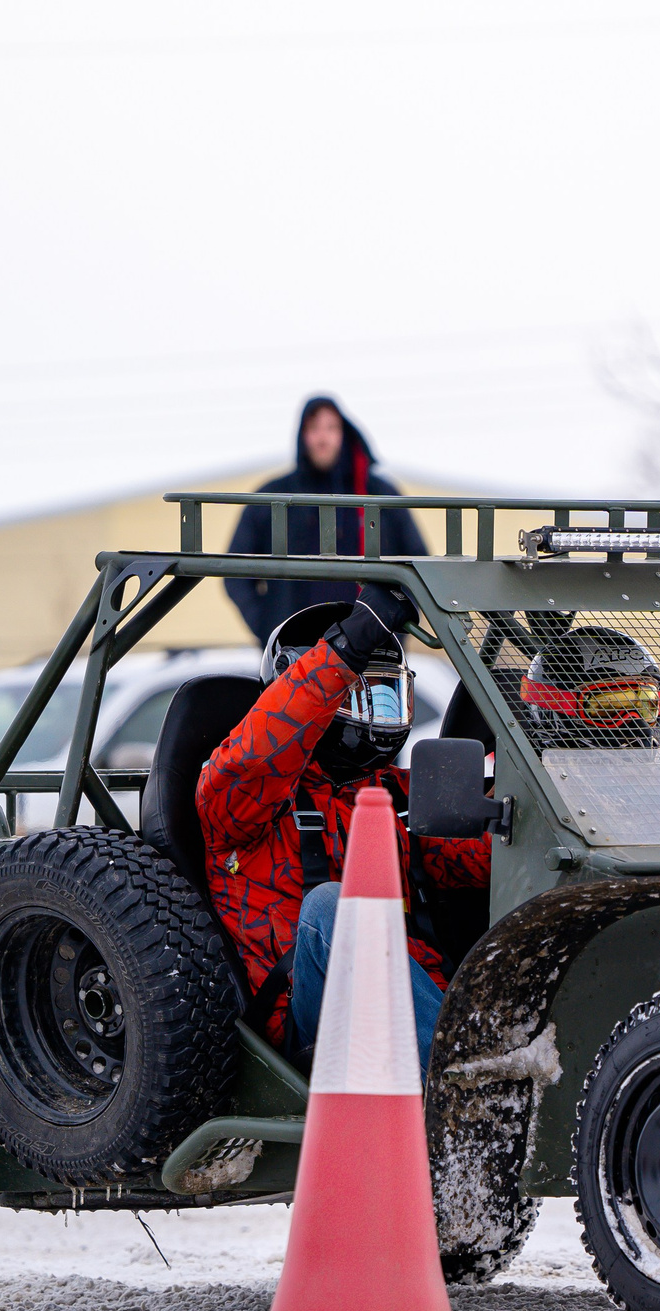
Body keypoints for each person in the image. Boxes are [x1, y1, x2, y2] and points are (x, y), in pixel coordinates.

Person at [195, 587, 487, 1074]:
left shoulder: (390, 794)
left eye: (386, 696)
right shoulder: (239, 799)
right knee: (332, 906)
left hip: (416, 1004)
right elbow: (254, 757)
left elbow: (493, 850)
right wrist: (345, 649)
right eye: (357, 695)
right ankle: (466, 1082)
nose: (378, 715)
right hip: (307, 1022)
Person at [224, 398, 432, 645]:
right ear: (303, 435)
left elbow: (418, 567)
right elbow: (234, 572)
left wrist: (394, 630)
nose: (322, 438)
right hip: (296, 651)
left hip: (368, 651)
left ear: (344, 433)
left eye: (331, 428)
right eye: (314, 428)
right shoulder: (274, 497)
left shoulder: (378, 494)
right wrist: (270, 628)